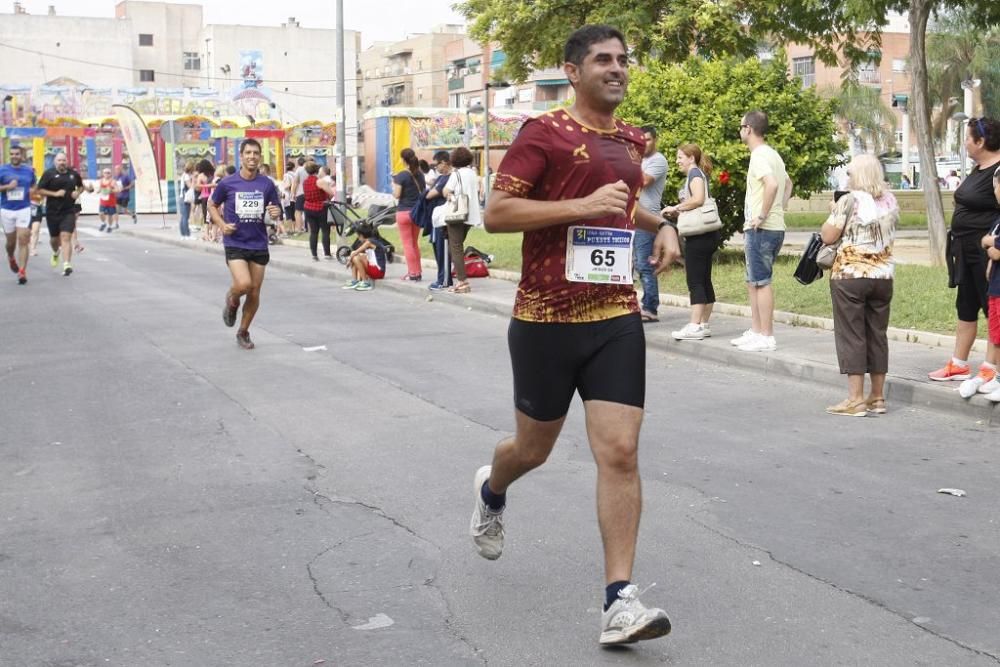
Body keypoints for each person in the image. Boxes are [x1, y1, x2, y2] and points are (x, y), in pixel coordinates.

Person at [471, 24, 680, 647]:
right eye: (603, 60)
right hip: (543, 319)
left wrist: (660, 223)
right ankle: (492, 486)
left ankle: (620, 601)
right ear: (573, 70)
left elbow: (620, 206)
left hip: (614, 317)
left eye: (623, 58)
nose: (617, 68)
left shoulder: (632, 139)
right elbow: (497, 213)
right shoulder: (544, 134)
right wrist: (577, 209)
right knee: (531, 450)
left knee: (620, 452)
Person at [819, 154, 899, 416]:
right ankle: (877, 398)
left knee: (852, 335)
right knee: (878, 334)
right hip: (883, 276)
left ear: (860, 176)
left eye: (850, 173)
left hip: (851, 276)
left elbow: (828, 235)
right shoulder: (890, 200)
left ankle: (855, 399)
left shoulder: (849, 200)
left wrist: (834, 210)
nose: (847, 178)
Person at [928, 118, 1000, 384]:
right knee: (966, 306)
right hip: (965, 250)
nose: (965, 143)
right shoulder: (978, 168)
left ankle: (991, 367)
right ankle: (958, 364)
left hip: (986, 253)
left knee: (992, 308)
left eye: (968, 138)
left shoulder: (998, 172)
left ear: (981, 142)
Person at [208, 139, 282, 350]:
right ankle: (232, 298)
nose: (252, 156)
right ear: (241, 156)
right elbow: (212, 204)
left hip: (258, 243)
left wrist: (276, 212)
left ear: (260, 157)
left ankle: (243, 331)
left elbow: (275, 209)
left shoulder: (266, 184)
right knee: (243, 285)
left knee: (255, 292)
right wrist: (221, 225)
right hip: (236, 241)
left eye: (256, 153)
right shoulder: (228, 183)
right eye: (248, 153)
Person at [731, 110, 793, 352]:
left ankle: (766, 336)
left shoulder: (759, 155)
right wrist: (781, 206)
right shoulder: (772, 154)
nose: (739, 131)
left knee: (762, 281)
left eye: (740, 127)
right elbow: (787, 184)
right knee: (753, 280)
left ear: (748, 128)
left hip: (763, 228)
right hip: (768, 226)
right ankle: (756, 330)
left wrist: (764, 214)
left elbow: (773, 184)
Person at [664, 143, 719, 340]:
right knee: (704, 279)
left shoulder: (694, 175)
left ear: (691, 158)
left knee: (695, 280)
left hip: (699, 235)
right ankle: (703, 324)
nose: (677, 161)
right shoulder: (697, 174)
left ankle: (694, 325)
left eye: (680, 157)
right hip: (707, 234)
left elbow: (698, 199)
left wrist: (675, 208)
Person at [633, 126, 668, 322]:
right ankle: (643, 303)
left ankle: (650, 308)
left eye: (647, 139)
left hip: (648, 220)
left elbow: (643, 181)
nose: (644, 143)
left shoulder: (658, 160)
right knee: (636, 263)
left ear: (655, 140)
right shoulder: (638, 159)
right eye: (641, 140)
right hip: (633, 217)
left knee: (646, 264)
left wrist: (625, 167)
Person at [36, 152, 85, 276]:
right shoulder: (49, 174)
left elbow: (81, 186)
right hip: (52, 212)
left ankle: (67, 264)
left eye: (63, 160)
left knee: (65, 237)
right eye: (59, 160)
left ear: (66, 161)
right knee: (54, 240)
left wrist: (77, 193)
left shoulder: (73, 174)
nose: (61, 162)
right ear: (55, 162)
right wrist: (55, 194)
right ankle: (56, 252)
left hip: (68, 211)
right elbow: (39, 190)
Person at [442, 146, 481, 294]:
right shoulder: (473, 173)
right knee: (459, 245)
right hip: (470, 215)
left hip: (457, 214)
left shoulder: (456, 174)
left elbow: (446, 190)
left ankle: (462, 281)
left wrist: (449, 196)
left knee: (455, 247)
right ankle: (461, 278)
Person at [0, 144, 37, 285]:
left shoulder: (28, 171)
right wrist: (7, 187)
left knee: (23, 239)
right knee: (10, 243)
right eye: (12, 154)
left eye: (17, 154)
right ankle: (10, 256)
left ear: (22, 155)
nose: (14, 156)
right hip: (7, 209)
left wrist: (32, 191)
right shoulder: (2, 170)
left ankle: (22, 272)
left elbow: (34, 185)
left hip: (24, 209)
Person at [393, 148, 426, 281]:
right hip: (417, 213)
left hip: (404, 213)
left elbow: (397, 194)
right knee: (414, 243)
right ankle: (418, 271)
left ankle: (413, 273)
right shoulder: (420, 175)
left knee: (408, 244)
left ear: (403, 160)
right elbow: (423, 191)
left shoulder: (401, 175)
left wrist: (393, 184)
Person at [424, 150, 453, 291]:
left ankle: (444, 280)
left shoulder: (449, 178)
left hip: (443, 219)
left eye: (436, 165)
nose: (435, 168)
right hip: (436, 218)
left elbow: (430, 195)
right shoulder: (441, 178)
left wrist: (431, 190)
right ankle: (442, 278)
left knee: (443, 250)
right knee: (437, 249)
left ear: (444, 162)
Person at [341, 222, 388, 292]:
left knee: (355, 257)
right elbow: (356, 253)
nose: (358, 238)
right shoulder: (371, 241)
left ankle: (365, 282)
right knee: (355, 255)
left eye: (358, 236)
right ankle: (355, 280)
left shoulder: (369, 242)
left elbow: (356, 252)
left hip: (378, 272)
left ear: (361, 235)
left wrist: (349, 260)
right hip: (374, 268)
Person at [302, 161, 335, 260]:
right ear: (317, 170)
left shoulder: (305, 182)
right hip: (321, 207)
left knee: (313, 232)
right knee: (325, 231)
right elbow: (331, 193)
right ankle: (327, 254)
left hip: (308, 207)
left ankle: (314, 254)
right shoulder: (320, 181)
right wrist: (327, 196)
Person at [195, 159, 217, 242]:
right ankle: (212, 234)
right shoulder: (213, 174)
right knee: (213, 217)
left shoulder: (201, 175)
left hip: (205, 197)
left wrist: (205, 185)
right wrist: (211, 185)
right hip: (213, 197)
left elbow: (197, 186)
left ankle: (206, 234)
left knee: (206, 217)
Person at [96, 168, 119, 233]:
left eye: (108, 173)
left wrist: (111, 190)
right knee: (101, 213)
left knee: (110, 215)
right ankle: (103, 223)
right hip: (103, 200)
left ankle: (109, 226)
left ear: (110, 174)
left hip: (111, 201)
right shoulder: (101, 181)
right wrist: (98, 191)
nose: (107, 174)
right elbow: (100, 188)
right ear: (103, 174)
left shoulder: (113, 181)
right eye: (105, 173)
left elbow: (117, 190)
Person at [178, 160, 195, 240]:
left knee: (183, 216)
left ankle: (183, 234)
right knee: (185, 216)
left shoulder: (184, 175)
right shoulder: (187, 176)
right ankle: (187, 234)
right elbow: (190, 186)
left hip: (182, 197)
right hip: (185, 198)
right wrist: (194, 180)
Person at [292, 156, 309, 234]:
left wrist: (293, 193)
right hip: (308, 193)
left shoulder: (299, 170)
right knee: (308, 212)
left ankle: (299, 229)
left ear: (298, 163)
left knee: (298, 212)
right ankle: (309, 229)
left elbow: (295, 182)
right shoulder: (308, 169)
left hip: (300, 193)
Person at [280, 160, 296, 230]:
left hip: (288, 196)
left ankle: (290, 229)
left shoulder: (286, 175)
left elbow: (287, 185)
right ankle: (295, 228)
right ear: (293, 167)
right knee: (293, 214)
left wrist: (282, 186)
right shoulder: (295, 174)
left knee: (288, 214)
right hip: (294, 196)